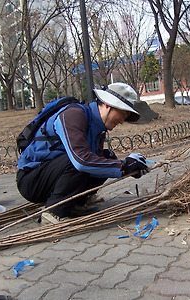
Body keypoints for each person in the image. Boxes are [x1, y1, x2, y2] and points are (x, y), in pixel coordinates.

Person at [16, 83, 150, 225]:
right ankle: (54, 211)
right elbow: (80, 161)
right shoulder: (72, 115)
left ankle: (74, 204)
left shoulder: (99, 129)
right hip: (32, 180)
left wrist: (128, 169)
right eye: (122, 113)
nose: (122, 121)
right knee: (78, 160)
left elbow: (97, 165)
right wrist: (123, 166)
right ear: (107, 104)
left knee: (106, 157)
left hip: (53, 175)